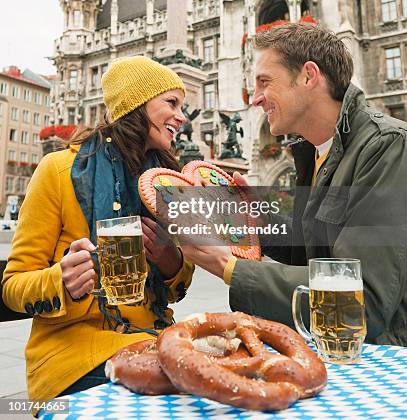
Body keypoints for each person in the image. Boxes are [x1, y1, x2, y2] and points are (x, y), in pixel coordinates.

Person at [182, 23, 407, 346]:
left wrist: (228, 267)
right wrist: (253, 220)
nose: (256, 99)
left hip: (385, 368)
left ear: (308, 76)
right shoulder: (317, 152)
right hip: (335, 352)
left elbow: (362, 300)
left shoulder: (387, 147)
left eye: (264, 82)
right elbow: (313, 252)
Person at [2, 56, 194, 403]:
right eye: (172, 103)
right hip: (72, 356)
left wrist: (170, 261)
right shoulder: (59, 170)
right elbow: (13, 285)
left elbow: (178, 289)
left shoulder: (163, 183)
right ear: (137, 103)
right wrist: (60, 281)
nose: (182, 117)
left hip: (152, 341)